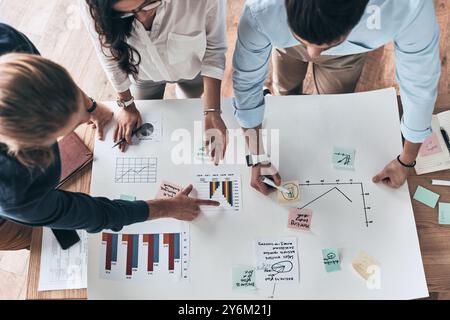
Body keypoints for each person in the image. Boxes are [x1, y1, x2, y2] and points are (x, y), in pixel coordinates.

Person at [0, 52, 219, 251]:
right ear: (34, 146)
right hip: (9, 221)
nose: (85, 119)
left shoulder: (10, 46)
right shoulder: (14, 194)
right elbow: (96, 214)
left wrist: (90, 106)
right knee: (41, 242)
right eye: (75, 124)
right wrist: (166, 208)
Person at [232, 0, 441, 194]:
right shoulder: (261, 10)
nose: (314, 54)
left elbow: (420, 85)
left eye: (326, 45)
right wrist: (257, 155)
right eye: (304, 40)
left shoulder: (408, 6)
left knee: (334, 106)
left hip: (347, 56)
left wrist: (407, 160)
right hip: (285, 47)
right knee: (284, 89)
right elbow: (246, 84)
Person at [81, 0, 229, 163]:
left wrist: (212, 111)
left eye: (149, 4)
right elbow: (109, 56)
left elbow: (215, 50)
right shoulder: (93, 4)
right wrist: (128, 106)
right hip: (141, 74)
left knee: (189, 103)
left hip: (194, 69)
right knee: (147, 115)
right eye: (126, 13)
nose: (142, 16)